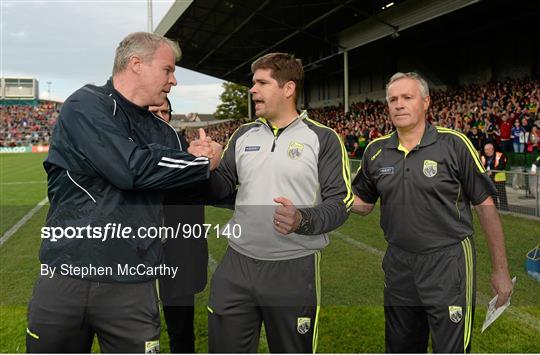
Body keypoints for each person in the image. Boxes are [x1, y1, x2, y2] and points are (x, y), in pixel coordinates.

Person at [27, 32, 220, 353]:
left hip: (133, 285)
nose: (174, 81)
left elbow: (186, 199)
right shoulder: (86, 104)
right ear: (136, 65)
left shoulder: (166, 134)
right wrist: (197, 163)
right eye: (168, 69)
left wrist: (209, 160)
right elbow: (129, 168)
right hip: (67, 276)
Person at [351, 72, 513, 353]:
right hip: (399, 263)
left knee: (450, 349)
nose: (399, 104)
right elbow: (363, 204)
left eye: (407, 97)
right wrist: (325, 191)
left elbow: (485, 207)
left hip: (448, 261)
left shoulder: (454, 144)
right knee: (401, 346)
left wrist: (500, 270)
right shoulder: (376, 151)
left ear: (425, 102)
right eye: (393, 99)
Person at [206, 52, 353, 353]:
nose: (252, 89)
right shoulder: (243, 134)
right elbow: (220, 189)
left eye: (262, 82)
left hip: (292, 269)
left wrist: (303, 220)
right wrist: (207, 169)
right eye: (253, 82)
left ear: (288, 89)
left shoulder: (323, 139)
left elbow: (341, 201)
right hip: (237, 263)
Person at [149, 98, 209, 353]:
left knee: (180, 329)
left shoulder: (187, 150)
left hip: (177, 255)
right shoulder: (127, 149)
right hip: (137, 253)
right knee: (138, 326)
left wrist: (203, 160)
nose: (161, 116)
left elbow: (203, 192)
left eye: (165, 111)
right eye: (154, 111)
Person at [480, 142, 509, 211]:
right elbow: (480, 166)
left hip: (499, 179)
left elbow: (502, 166)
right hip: (489, 179)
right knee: (492, 195)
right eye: (485, 150)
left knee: (502, 196)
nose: (485, 151)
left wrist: (492, 171)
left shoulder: (500, 155)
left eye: (487, 149)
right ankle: (494, 209)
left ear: (491, 149)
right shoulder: (483, 157)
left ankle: (504, 210)